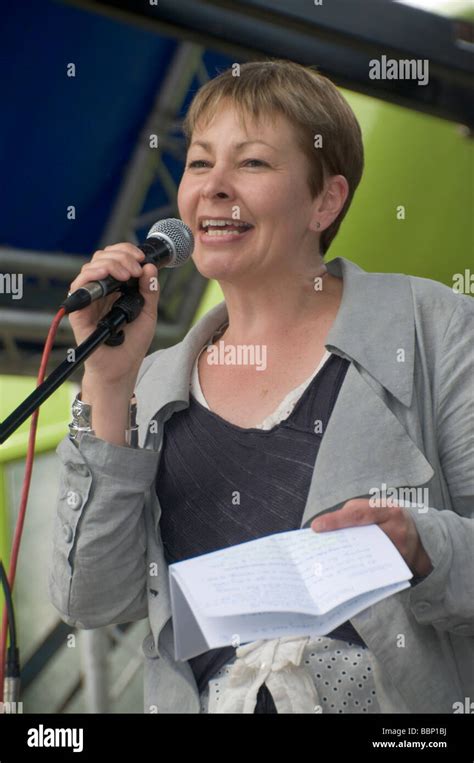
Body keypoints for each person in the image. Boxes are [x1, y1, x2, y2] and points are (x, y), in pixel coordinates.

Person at [48, 59, 473, 714]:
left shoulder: (431, 325)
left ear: (326, 200)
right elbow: (92, 598)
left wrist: (422, 546)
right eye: (198, 163)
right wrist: (106, 381)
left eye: (251, 163)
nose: (213, 188)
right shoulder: (153, 377)